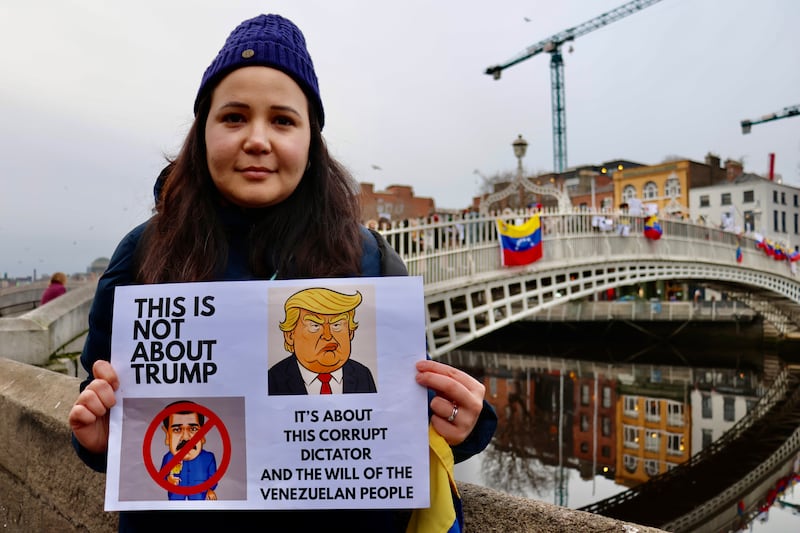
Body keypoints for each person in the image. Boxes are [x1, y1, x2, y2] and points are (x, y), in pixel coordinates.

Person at [68, 13, 496, 532]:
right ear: (201, 133)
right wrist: (95, 437)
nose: (257, 139)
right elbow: (107, 415)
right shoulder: (142, 253)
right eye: (233, 117)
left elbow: (415, 416)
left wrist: (466, 421)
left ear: (311, 141)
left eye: (283, 120)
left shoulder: (370, 260)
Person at [269, 287, 376, 395]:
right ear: (290, 336)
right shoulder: (273, 379)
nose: (327, 335)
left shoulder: (363, 375)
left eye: (336, 325)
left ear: (350, 332)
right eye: (315, 325)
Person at [160, 401, 217, 501]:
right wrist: (168, 480)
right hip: (175, 499)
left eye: (193, 429)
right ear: (168, 436)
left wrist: (209, 490)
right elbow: (162, 477)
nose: (186, 437)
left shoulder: (208, 458)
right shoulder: (168, 458)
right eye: (177, 429)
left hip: (199, 497)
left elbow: (213, 478)